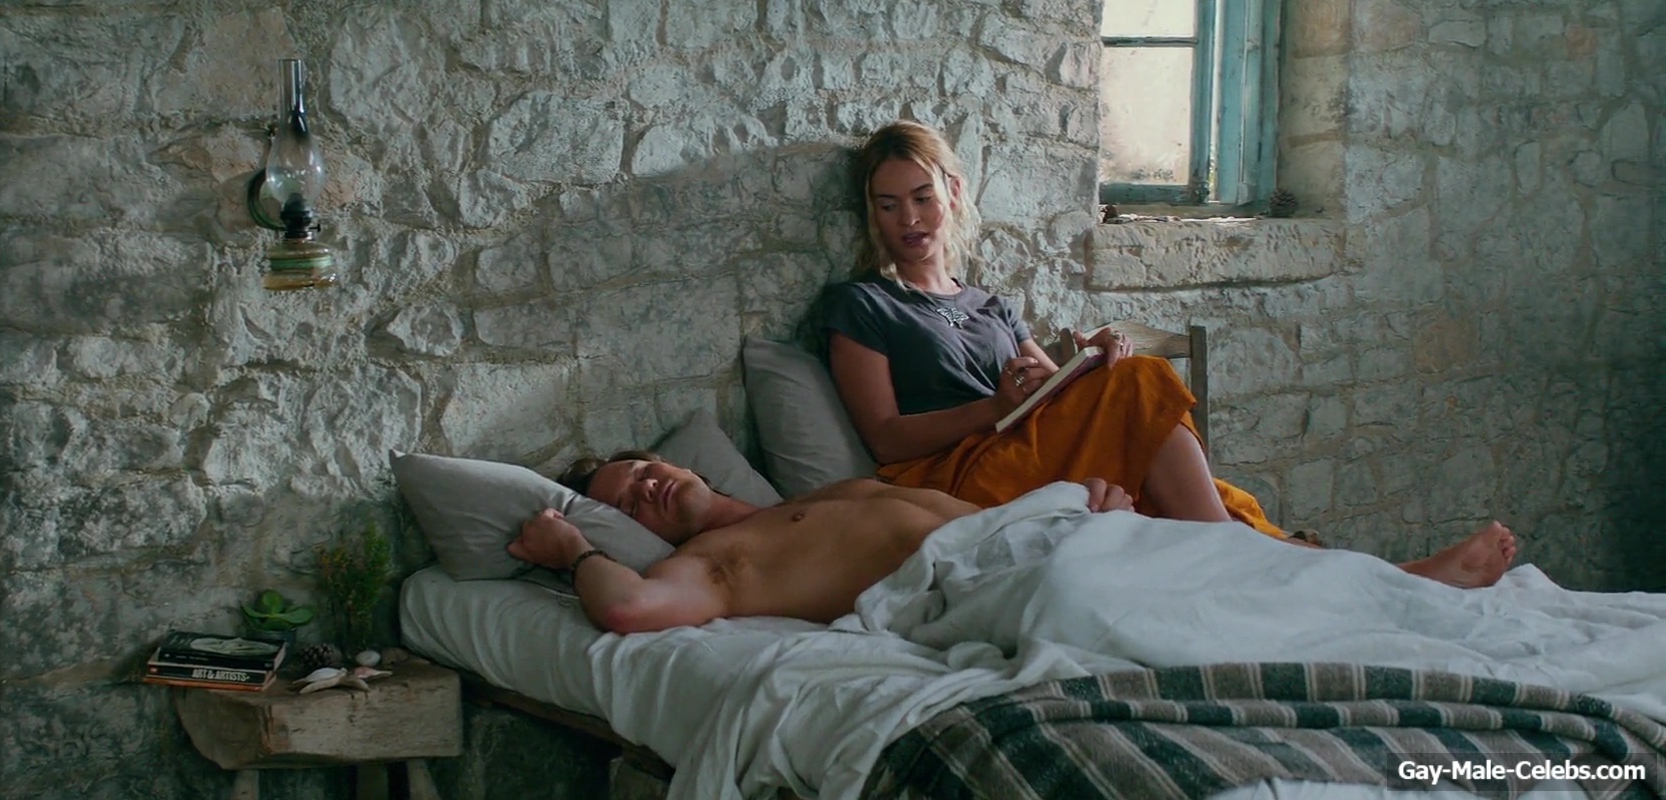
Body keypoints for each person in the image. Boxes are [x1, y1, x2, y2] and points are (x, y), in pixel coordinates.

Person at [821, 119, 1284, 537]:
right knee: (1142, 383)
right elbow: (884, 438)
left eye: (923, 198)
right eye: (889, 205)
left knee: (1173, 459)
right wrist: (993, 409)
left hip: (1027, 450)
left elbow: (1052, 396)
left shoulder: (993, 306)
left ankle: (1245, 544)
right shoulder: (863, 303)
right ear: (873, 214)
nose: (909, 219)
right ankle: (1223, 545)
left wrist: (1088, 361)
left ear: (954, 192)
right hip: (956, 474)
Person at [507, 452, 1520, 634]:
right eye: (627, 499)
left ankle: (1393, 583)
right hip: (980, 581)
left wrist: (1078, 506)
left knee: (1205, 545)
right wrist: (571, 550)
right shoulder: (703, 567)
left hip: (1035, 532)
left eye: (645, 465)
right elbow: (631, 609)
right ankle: (1395, 593)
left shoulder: (812, 495)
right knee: (1173, 584)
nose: (647, 483)